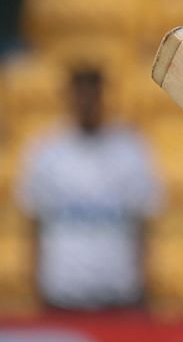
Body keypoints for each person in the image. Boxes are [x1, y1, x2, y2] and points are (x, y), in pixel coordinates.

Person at [15, 67, 164, 311]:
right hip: (61, 296)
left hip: (119, 297)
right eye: (79, 94)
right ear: (68, 97)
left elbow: (144, 223)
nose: (86, 102)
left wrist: (146, 283)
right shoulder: (45, 151)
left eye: (91, 94)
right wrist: (33, 285)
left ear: (102, 96)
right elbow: (33, 223)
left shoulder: (130, 150)